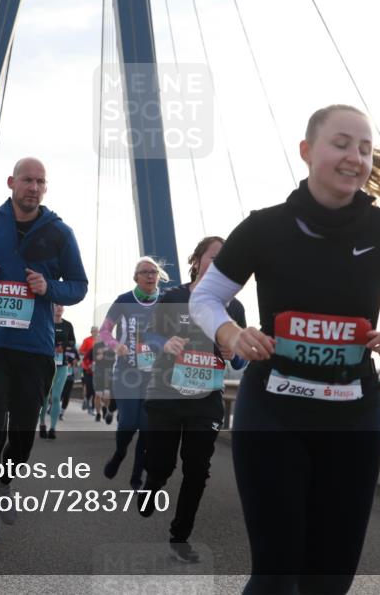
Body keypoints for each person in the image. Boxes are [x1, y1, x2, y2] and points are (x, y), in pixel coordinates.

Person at [190, 104, 380, 593]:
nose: (355, 158)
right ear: (306, 151)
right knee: (277, 575)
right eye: (341, 144)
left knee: (330, 579)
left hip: (352, 416)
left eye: (365, 149)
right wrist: (232, 335)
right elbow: (206, 296)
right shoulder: (264, 227)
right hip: (272, 413)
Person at [0, 157, 88, 557]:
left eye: (40, 181)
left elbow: (78, 285)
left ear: (45, 188)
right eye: (27, 180)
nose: (33, 187)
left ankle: (7, 480)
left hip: (35, 349)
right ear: (11, 182)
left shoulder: (60, 232)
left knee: (23, 437)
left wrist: (49, 287)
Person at [139, 235, 246, 563]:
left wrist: (234, 352)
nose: (218, 263)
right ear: (197, 261)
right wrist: (165, 343)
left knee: (197, 470)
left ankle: (180, 538)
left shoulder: (234, 307)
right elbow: (149, 335)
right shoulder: (173, 297)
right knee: (162, 465)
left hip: (206, 399)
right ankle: (153, 482)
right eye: (213, 256)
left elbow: (241, 359)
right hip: (166, 396)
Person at [99, 257, 167, 490]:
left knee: (146, 429)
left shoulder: (166, 301)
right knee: (128, 423)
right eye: (144, 271)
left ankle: (137, 477)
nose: (150, 275)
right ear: (136, 277)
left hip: (154, 375)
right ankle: (119, 454)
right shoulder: (124, 301)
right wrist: (115, 345)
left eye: (154, 271)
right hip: (126, 371)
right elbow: (105, 330)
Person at [39, 304, 76, 439]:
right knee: (44, 397)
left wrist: (63, 347)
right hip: (45, 365)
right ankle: (42, 423)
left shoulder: (68, 325)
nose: (59, 308)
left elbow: (72, 342)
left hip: (62, 365)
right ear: (51, 307)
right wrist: (52, 346)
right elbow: (39, 339)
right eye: (56, 305)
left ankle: (53, 428)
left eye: (61, 306)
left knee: (56, 397)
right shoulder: (45, 322)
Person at [79, 326, 97, 413]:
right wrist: (88, 353)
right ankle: (86, 399)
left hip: (96, 368)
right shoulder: (87, 340)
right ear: (91, 332)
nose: (95, 332)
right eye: (94, 331)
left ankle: (92, 406)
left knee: (95, 388)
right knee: (86, 385)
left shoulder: (100, 341)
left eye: (96, 331)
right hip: (85, 367)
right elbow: (80, 351)